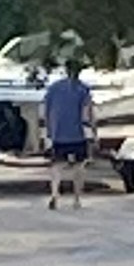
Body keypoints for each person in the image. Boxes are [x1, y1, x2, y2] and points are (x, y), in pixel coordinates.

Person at [41, 49, 95, 208]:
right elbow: (86, 114)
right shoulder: (83, 89)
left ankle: (54, 194)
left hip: (58, 133)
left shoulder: (53, 88)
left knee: (57, 165)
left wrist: (48, 131)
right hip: (77, 133)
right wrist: (94, 131)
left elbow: (46, 110)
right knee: (79, 166)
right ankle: (76, 199)